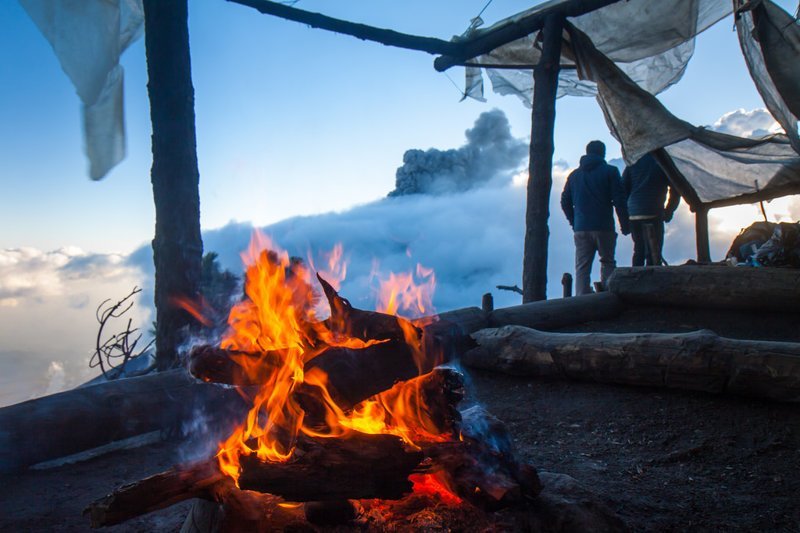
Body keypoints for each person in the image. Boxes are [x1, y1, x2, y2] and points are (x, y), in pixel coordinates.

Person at [561, 140, 629, 295]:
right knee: (607, 262)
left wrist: (574, 222)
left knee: (582, 267)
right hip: (604, 226)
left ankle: (581, 300)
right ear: (603, 153)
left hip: (581, 228)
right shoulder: (611, 172)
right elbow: (619, 200)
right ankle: (608, 296)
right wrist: (625, 224)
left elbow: (565, 201)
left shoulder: (574, 175)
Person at [622, 153, 680, 266]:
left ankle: (635, 279)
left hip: (634, 214)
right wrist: (669, 211)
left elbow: (624, 189)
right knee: (654, 252)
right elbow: (675, 189)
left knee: (639, 250)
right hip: (654, 211)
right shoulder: (662, 162)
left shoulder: (633, 161)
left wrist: (628, 212)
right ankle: (654, 278)